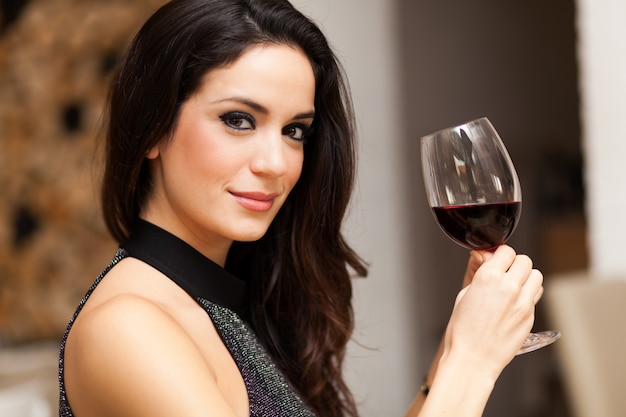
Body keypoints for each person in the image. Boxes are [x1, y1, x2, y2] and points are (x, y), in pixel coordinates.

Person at [58, 0, 544, 416]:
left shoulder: (224, 301)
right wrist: (472, 361)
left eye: (295, 131)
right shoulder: (126, 328)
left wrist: (456, 347)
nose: (276, 163)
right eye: (238, 119)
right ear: (153, 129)